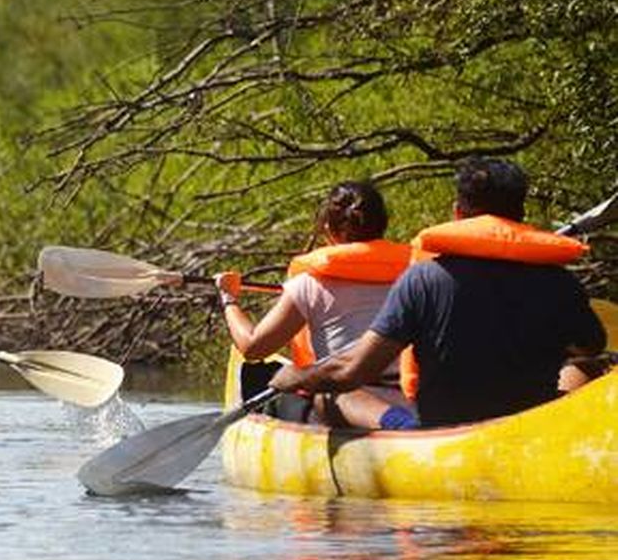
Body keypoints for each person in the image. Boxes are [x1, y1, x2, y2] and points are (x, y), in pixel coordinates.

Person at [269, 159, 605, 428]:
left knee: (339, 394)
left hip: (444, 429)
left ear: (457, 212)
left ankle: (403, 428)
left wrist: (297, 376)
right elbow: (590, 346)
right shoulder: (560, 283)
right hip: (529, 423)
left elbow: (352, 371)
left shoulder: (422, 280)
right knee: (588, 366)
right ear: (521, 216)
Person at [215, 180, 416, 429]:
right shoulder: (417, 278)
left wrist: (228, 298)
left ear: (330, 229)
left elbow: (253, 347)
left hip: (345, 403)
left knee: (280, 394)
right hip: (410, 399)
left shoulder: (310, 284)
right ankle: (408, 427)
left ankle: (399, 427)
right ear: (383, 225)